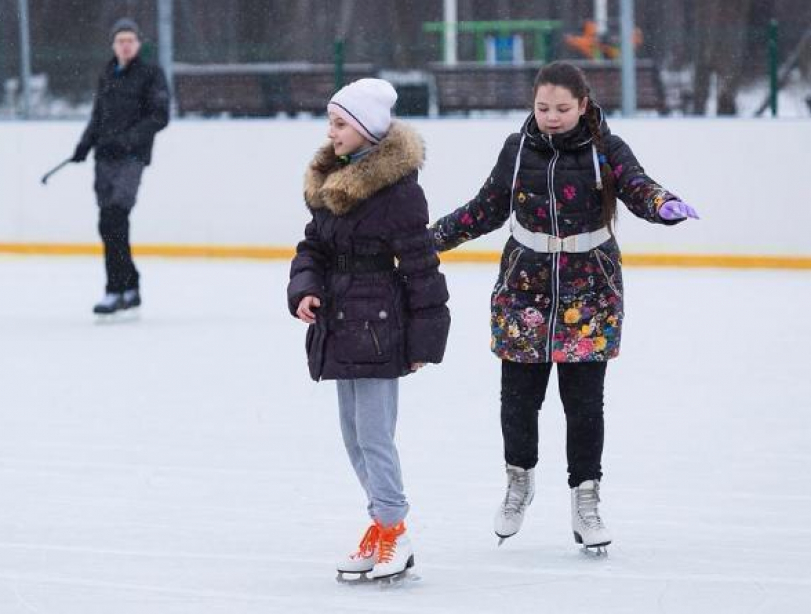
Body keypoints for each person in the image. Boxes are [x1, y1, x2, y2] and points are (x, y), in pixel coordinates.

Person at [430, 61, 699, 553]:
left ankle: (586, 498)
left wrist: (663, 204)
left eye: (562, 108)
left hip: (589, 291)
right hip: (524, 288)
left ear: (582, 105)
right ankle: (519, 481)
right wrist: (432, 239)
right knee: (518, 399)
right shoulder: (516, 151)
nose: (551, 117)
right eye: (542, 108)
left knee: (583, 405)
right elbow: (486, 208)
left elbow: (638, 187)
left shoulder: (606, 150)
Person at [288, 78, 450, 580]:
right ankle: (381, 524)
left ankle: (394, 531)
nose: (331, 133)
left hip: (380, 327)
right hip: (339, 324)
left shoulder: (398, 192)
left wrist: (424, 338)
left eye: (340, 124)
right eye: (330, 122)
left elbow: (422, 266)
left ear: (366, 129)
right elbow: (312, 247)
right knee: (354, 437)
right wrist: (304, 289)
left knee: (376, 436)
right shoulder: (332, 183)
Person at [71, 18, 170, 315]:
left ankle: (115, 290)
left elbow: (159, 116)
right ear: (113, 45)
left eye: (130, 40)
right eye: (120, 41)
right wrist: (84, 145)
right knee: (109, 223)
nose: (125, 45)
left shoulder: (151, 74)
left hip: (132, 158)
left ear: (138, 44)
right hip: (104, 158)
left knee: (115, 215)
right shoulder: (107, 74)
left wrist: (127, 141)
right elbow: (97, 114)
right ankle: (130, 286)